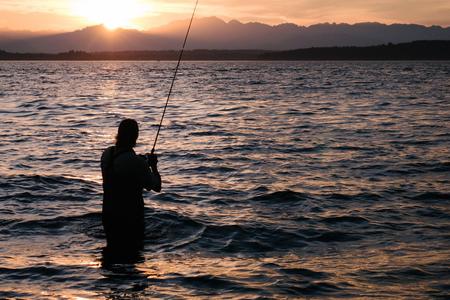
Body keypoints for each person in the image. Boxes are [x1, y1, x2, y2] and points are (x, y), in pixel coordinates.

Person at [101, 119, 161, 253]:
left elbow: (124, 165)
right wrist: (153, 166)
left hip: (109, 217)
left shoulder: (106, 154)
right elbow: (156, 186)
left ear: (119, 134)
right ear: (136, 136)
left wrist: (141, 161)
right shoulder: (137, 163)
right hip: (130, 220)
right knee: (132, 258)